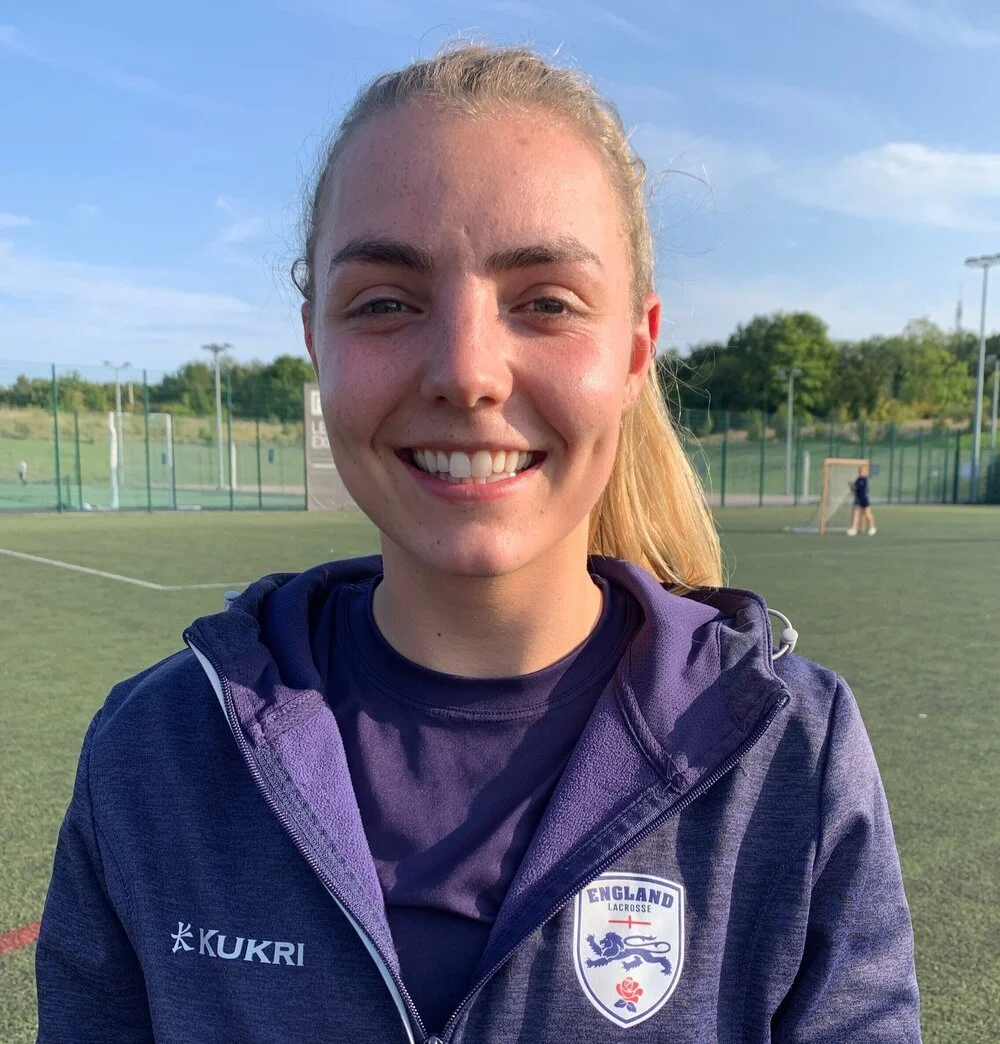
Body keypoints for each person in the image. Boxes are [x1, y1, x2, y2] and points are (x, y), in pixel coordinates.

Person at [36, 44, 920, 1043]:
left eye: (543, 301)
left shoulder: (788, 754)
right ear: (315, 345)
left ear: (634, 350)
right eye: (384, 302)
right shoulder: (155, 753)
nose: (465, 371)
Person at [848, 462, 876, 536]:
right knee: (856, 515)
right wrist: (852, 486)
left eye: (862, 471)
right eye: (860, 471)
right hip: (858, 500)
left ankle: (872, 528)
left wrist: (856, 488)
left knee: (868, 514)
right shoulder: (858, 479)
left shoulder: (865, 480)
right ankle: (854, 529)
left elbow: (864, 490)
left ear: (866, 472)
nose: (861, 473)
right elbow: (855, 489)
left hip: (864, 500)